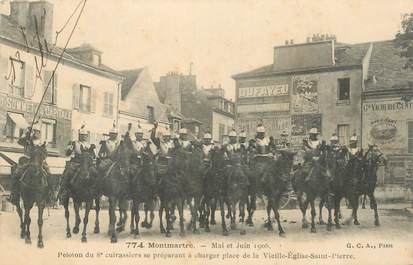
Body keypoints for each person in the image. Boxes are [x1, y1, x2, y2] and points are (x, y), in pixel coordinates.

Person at [8, 123, 51, 204]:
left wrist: (42, 157)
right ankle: (13, 194)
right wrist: (26, 133)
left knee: (49, 173)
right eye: (35, 132)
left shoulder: (43, 142)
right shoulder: (28, 139)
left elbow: (46, 153)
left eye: (38, 132)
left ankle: (50, 194)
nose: (37, 133)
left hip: (40, 162)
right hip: (27, 161)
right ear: (33, 132)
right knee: (16, 174)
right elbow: (19, 142)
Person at [58, 125, 94, 202]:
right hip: (76, 162)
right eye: (81, 135)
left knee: (95, 174)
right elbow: (67, 153)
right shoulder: (74, 143)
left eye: (84, 135)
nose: (83, 137)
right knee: (67, 173)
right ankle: (63, 191)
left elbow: (94, 156)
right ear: (79, 135)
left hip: (87, 164)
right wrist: (70, 150)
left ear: (87, 136)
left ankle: (95, 193)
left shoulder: (89, 145)